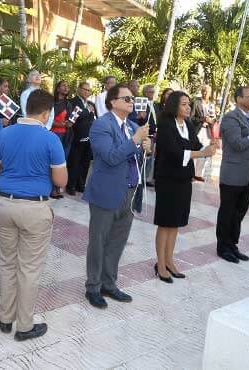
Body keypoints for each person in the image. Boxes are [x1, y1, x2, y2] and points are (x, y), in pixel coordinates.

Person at [0, 89, 67, 341]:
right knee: (29, 268)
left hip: (4, 204)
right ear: (46, 113)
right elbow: (60, 180)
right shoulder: (51, 139)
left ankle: (5, 318)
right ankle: (24, 326)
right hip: (34, 207)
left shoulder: (4, 133)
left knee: (7, 262)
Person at [83, 84, 151, 309]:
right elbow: (112, 157)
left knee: (118, 241)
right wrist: (134, 142)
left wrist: (145, 148)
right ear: (113, 102)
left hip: (130, 191)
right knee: (99, 241)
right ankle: (93, 286)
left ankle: (108, 283)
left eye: (132, 99)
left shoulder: (132, 126)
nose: (132, 102)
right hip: (107, 191)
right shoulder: (101, 125)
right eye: (127, 98)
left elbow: (136, 155)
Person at [153, 91, 216, 283]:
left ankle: (170, 261)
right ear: (174, 105)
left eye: (189, 104)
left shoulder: (187, 124)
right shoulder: (165, 124)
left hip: (183, 179)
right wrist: (202, 153)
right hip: (167, 179)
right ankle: (160, 264)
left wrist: (210, 145)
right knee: (165, 222)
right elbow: (174, 152)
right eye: (184, 104)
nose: (188, 107)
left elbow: (196, 145)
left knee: (176, 222)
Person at [216, 86, 249, 264]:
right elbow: (238, 144)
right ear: (238, 99)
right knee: (227, 212)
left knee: (239, 212)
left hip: (248, 176)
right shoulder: (230, 118)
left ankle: (232, 244)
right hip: (232, 174)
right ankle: (223, 247)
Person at [66, 81, 96, 196]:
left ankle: (81, 184)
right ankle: (71, 185)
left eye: (89, 90)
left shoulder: (91, 103)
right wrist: (87, 111)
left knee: (85, 162)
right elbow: (73, 117)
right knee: (74, 162)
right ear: (79, 89)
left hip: (89, 137)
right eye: (85, 89)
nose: (87, 92)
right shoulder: (72, 102)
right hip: (76, 136)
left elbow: (93, 119)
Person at [50, 80, 73, 198]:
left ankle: (57, 188)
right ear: (58, 88)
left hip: (66, 136)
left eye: (67, 86)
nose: (66, 87)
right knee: (53, 162)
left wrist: (70, 123)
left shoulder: (68, 104)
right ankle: (51, 189)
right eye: (63, 85)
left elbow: (71, 119)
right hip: (54, 135)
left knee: (62, 162)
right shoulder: (51, 103)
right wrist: (62, 125)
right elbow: (48, 121)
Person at [190, 84, 216, 182]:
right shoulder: (196, 102)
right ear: (201, 92)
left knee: (204, 152)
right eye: (204, 91)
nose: (205, 93)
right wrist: (203, 119)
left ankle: (198, 174)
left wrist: (213, 120)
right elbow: (191, 117)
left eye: (208, 92)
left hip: (207, 131)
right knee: (195, 150)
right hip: (197, 130)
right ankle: (191, 173)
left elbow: (214, 117)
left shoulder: (211, 105)